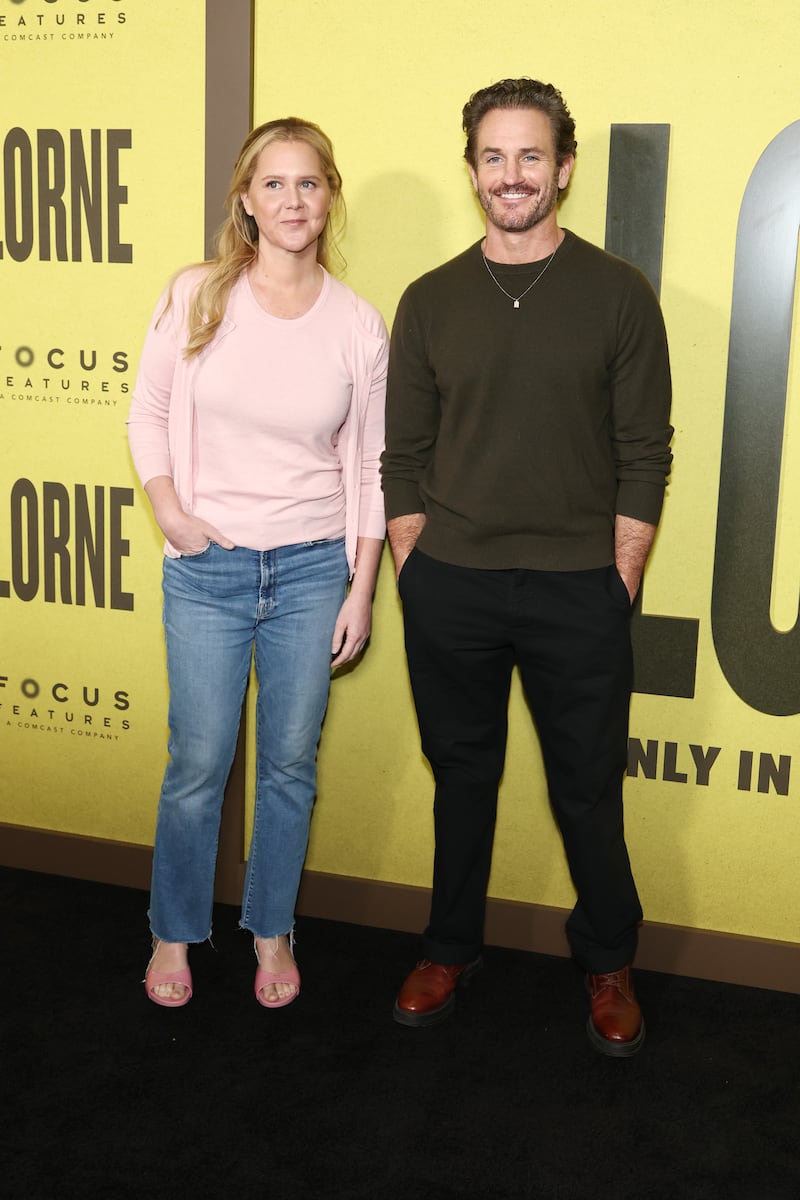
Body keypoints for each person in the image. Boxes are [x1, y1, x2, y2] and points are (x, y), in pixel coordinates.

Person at [381, 78, 672, 1055]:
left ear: (565, 167)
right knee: (460, 780)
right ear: (472, 172)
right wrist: (415, 567)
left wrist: (618, 576)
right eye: (493, 156)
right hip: (451, 584)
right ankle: (448, 947)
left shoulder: (617, 293)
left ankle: (607, 961)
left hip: (577, 588)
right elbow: (402, 457)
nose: (512, 174)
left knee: (586, 787)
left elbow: (644, 451)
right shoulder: (429, 299)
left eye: (530, 155)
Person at [128, 117, 387, 1009]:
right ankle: (174, 931)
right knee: (198, 764)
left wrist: (361, 589)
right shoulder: (197, 295)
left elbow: (370, 466)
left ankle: (272, 928)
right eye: (272, 183)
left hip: (313, 572)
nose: (292, 200)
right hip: (208, 570)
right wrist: (173, 515)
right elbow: (148, 412)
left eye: (308, 182)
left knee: (288, 766)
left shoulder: (357, 324)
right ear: (245, 199)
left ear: (330, 195)